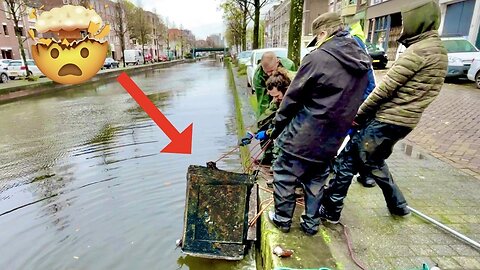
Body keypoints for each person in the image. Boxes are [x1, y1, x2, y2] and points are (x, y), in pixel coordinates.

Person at [320, 0, 448, 224]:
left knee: (347, 159)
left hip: (386, 119)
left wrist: (358, 116)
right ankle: (399, 206)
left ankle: (331, 210)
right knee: (373, 161)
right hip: (405, 121)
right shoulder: (439, 50)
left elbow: (384, 90)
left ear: (416, 20)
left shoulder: (417, 52)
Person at [262, 12, 371, 236]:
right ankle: (310, 224)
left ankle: (283, 219)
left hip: (303, 133)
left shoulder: (317, 58)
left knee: (284, 172)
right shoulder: (363, 61)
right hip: (333, 138)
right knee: (317, 179)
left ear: (323, 33)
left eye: (317, 37)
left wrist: (276, 129)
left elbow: (292, 99)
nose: (317, 42)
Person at [347, 18, 377, 187]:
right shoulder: (354, 45)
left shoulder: (355, 46)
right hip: (353, 105)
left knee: (360, 141)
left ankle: (366, 174)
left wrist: (358, 111)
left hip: (359, 107)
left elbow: (370, 85)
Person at [252, 52, 296, 165]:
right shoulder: (258, 76)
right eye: (267, 73)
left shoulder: (294, 82)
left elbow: (289, 122)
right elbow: (266, 106)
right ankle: (269, 156)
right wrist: (253, 131)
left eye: (271, 71)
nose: (269, 74)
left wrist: (269, 132)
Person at [239, 68, 291, 148]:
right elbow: (267, 114)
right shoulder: (278, 100)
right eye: (273, 96)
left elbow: (287, 129)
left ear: (285, 90)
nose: (275, 99)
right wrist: (251, 133)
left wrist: (267, 133)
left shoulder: (296, 105)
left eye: (277, 96)